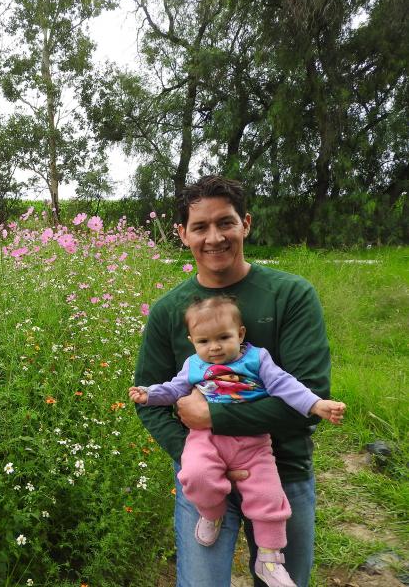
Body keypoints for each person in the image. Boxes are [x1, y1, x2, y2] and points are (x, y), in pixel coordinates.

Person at [134, 175, 333, 587]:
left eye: (225, 222)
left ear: (246, 223)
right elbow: (147, 398)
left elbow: (308, 398)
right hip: (204, 478)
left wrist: (212, 418)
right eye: (200, 227)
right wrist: (195, 453)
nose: (214, 237)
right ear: (182, 234)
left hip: (284, 470)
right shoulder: (168, 310)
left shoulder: (291, 295)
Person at [130, 295, 345, 587]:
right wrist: (149, 394)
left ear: (240, 334)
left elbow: (286, 385)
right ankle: (211, 513)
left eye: (223, 337)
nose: (215, 347)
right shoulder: (193, 365)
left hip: (253, 441)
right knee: (194, 474)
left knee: (269, 497)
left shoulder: (257, 359)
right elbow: (172, 389)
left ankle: (269, 559)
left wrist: (316, 405)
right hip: (205, 439)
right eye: (204, 341)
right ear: (192, 341)